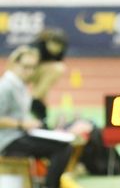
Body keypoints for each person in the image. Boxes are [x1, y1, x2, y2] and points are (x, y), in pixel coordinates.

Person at [0, 45, 73, 188]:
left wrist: (31, 123)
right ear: (14, 64)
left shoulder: (20, 85)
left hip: (20, 135)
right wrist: (22, 124)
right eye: (26, 66)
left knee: (62, 144)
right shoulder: (6, 86)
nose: (30, 71)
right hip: (8, 141)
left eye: (33, 67)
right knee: (62, 148)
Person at [29, 28, 69, 125]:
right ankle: (33, 101)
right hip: (30, 70)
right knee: (57, 68)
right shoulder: (38, 48)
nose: (55, 49)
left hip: (43, 72)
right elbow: (29, 65)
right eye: (53, 45)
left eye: (58, 47)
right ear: (48, 42)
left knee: (42, 94)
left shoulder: (61, 49)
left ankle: (41, 117)